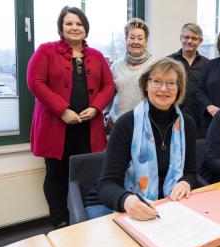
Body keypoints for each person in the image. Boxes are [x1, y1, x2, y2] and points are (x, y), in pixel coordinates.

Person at [27, 6, 114, 228]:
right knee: (56, 175)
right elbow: (35, 83)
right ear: (61, 27)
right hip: (56, 127)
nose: (75, 27)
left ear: (86, 28)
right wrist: (63, 110)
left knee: (86, 173)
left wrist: (95, 108)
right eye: (69, 23)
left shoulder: (96, 56)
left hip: (88, 127)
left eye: (79, 23)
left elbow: (108, 85)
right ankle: (60, 221)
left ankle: (83, 217)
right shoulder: (46, 51)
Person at [84, 57, 197, 221]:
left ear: (179, 88)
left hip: (164, 203)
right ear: (146, 84)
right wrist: (127, 201)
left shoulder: (188, 124)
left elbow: (190, 172)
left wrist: (186, 182)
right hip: (114, 202)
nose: (163, 89)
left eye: (171, 83)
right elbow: (106, 185)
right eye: (156, 81)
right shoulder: (126, 123)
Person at [106, 18, 156, 128]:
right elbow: (108, 93)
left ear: (146, 41)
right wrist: (107, 113)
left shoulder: (155, 65)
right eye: (132, 37)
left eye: (140, 38)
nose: (136, 42)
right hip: (117, 123)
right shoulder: (116, 66)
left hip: (145, 125)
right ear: (126, 39)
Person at [169, 23, 209, 132]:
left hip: (200, 120)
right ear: (181, 38)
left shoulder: (208, 64)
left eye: (194, 38)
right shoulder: (169, 62)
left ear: (200, 41)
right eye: (186, 37)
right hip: (173, 117)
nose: (190, 41)